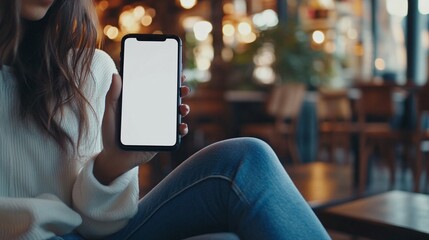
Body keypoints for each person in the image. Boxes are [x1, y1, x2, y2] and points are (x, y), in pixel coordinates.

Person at [0, 0, 330, 239]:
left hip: (89, 233)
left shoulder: (88, 70)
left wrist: (113, 166)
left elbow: (98, 226)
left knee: (246, 160)